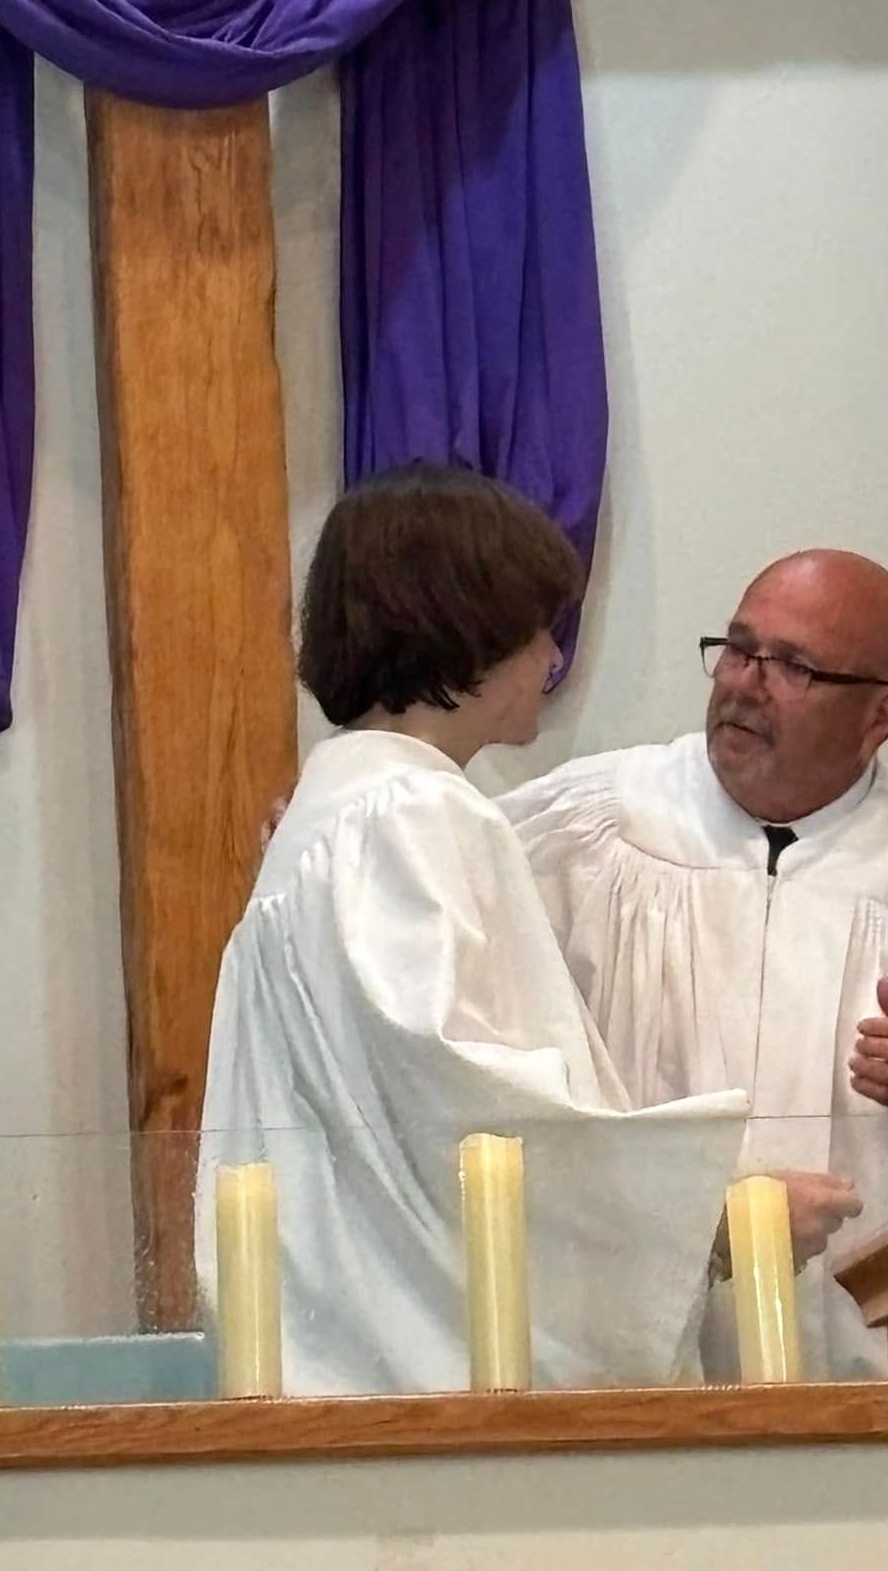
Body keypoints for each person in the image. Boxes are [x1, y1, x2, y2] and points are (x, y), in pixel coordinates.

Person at [499, 548, 888, 1375]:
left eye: (793, 666)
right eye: (737, 648)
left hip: (873, 1403)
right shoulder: (579, 836)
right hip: (618, 1385)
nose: (743, 683)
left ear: (883, 715)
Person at [198, 465, 742, 1397]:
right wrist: (709, 1214)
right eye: (538, 631)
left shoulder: (345, 811)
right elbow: (456, 1086)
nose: (551, 661)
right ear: (466, 629)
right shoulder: (407, 814)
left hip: (358, 1351)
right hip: (428, 1372)